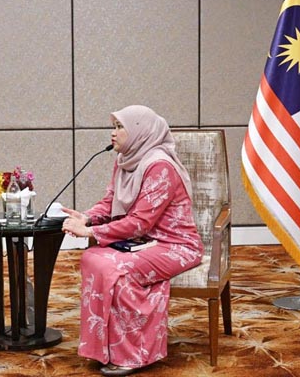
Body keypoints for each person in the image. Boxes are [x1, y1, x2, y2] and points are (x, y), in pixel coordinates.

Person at [61, 105, 203, 376]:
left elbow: (140, 221)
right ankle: (105, 349)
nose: (113, 133)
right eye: (113, 127)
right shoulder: (125, 160)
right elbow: (110, 202)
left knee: (117, 270)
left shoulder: (160, 166)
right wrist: (87, 217)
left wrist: (91, 233)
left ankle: (135, 354)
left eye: (119, 127)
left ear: (140, 131)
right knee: (92, 258)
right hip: (141, 242)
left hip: (175, 245)